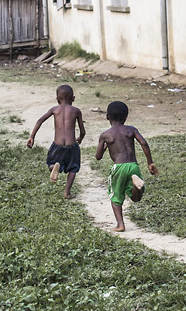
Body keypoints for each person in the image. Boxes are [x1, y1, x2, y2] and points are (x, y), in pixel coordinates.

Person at [94, 100, 158, 232]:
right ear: (126, 117)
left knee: (115, 197)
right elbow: (144, 143)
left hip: (119, 167)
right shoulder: (131, 130)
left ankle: (120, 224)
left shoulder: (105, 135)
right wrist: (150, 162)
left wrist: (105, 146)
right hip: (133, 166)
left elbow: (98, 156)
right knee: (136, 197)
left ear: (107, 117)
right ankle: (136, 186)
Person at [26, 84, 86, 199]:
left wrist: (32, 136)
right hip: (71, 145)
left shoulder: (54, 109)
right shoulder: (76, 111)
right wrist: (80, 139)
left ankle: (54, 167)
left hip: (57, 145)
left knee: (50, 162)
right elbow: (83, 131)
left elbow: (40, 120)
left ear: (57, 99)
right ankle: (67, 193)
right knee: (73, 169)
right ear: (73, 98)